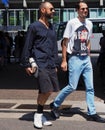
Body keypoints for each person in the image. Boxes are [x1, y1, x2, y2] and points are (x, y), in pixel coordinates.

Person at [50, 0, 105, 123]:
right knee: (72, 86)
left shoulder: (90, 24)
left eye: (86, 9)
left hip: (86, 59)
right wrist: (64, 60)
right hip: (74, 58)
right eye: (82, 9)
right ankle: (55, 104)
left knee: (90, 88)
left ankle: (92, 113)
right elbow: (64, 42)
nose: (85, 10)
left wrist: (89, 54)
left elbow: (87, 40)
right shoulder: (71, 23)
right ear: (77, 10)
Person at [21, 1, 59, 129]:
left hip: (50, 63)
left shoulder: (52, 27)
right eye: (51, 9)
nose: (53, 11)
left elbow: (54, 46)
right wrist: (26, 64)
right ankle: (38, 115)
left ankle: (40, 113)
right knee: (46, 89)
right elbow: (27, 46)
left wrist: (55, 63)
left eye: (53, 9)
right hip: (40, 62)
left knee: (49, 90)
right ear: (43, 10)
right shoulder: (34, 26)